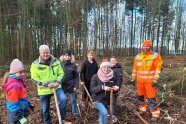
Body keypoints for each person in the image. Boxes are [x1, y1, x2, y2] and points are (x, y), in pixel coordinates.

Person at [30, 45, 71, 124]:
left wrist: (57, 82)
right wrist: (46, 84)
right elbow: (34, 79)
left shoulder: (56, 61)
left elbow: (61, 73)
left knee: (63, 99)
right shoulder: (35, 64)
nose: (45, 54)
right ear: (40, 53)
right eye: (43, 53)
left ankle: (62, 119)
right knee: (45, 108)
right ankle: (47, 122)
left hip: (56, 87)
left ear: (49, 52)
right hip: (44, 90)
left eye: (47, 52)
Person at [131, 40, 163, 122]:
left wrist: (155, 80)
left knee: (151, 98)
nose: (145, 47)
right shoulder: (138, 56)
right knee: (140, 97)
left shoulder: (155, 56)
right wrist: (133, 78)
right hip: (140, 82)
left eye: (147, 46)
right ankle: (142, 110)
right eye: (144, 46)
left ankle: (155, 114)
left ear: (150, 46)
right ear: (142, 46)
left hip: (150, 82)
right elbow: (135, 68)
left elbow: (158, 68)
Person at [2, 59, 30, 124]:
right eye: (20, 72)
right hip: (16, 115)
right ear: (14, 73)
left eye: (23, 71)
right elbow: (12, 103)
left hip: (21, 110)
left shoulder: (19, 81)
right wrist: (19, 116)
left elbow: (21, 96)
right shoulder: (14, 85)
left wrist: (28, 103)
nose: (23, 74)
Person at [59, 50, 79, 119]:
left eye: (69, 56)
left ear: (71, 57)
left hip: (71, 85)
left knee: (73, 100)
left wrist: (76, 85)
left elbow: (76, 76)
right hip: (62, 85)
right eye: (66, 55)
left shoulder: (73, 65)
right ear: (63, 56)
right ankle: (61, 114)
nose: (67, 57)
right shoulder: (59, 64)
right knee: (62, 100)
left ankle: (75, 112)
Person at [110, 56, 123, 123]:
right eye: (111, 61)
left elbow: (119, 79)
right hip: (108, 89)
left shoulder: (118, 69)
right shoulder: (108, 68)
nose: (112, 62)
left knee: (113, 103)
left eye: (114, 61)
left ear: (116, 61)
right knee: (108, 103)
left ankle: (114, 116)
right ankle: (109, 115)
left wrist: (117, 86)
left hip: (114, 89)